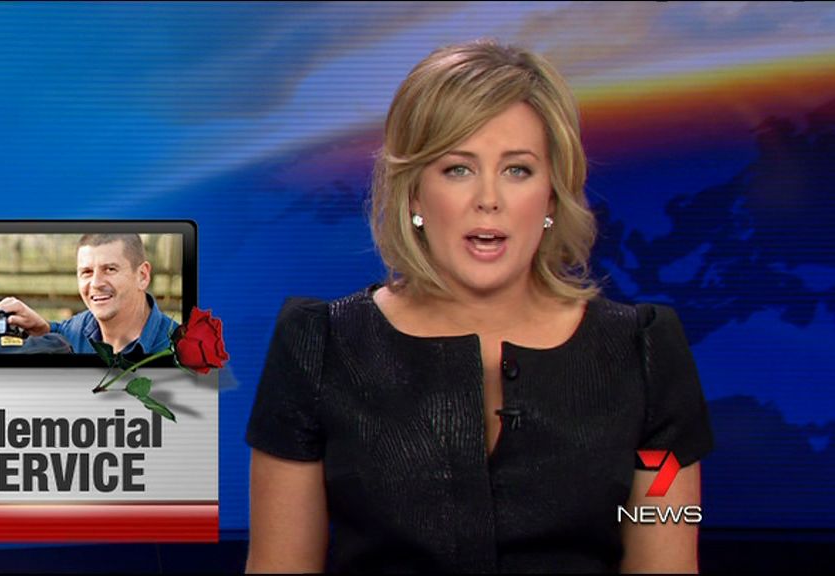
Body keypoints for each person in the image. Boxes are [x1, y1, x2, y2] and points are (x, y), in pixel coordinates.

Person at [245, 40, 713, 573]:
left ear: (552, 194)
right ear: (414, 193)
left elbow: (665, 558)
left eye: (517, 170)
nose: (488, 199)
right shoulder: (320, 347)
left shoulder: (645, 357)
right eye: (458, 169)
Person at [0, 233, 178, 356]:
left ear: (142, 276)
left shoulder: (179, 350)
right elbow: (59, 334)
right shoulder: (76, 330)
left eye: (110, 269)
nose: (96, 283)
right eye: (86, 272)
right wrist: (43, 328)